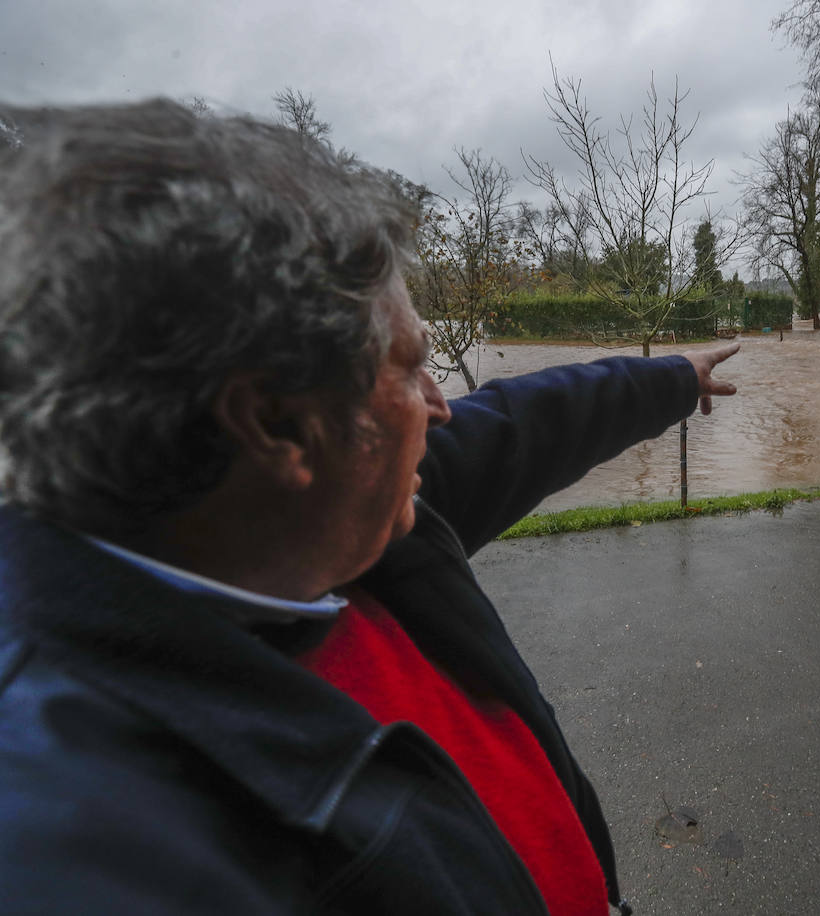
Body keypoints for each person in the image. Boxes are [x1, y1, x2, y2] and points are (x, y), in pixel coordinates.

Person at [0, 99, 739, 915]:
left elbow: (525, 423)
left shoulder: (311, 515)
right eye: (411, 365)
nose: (440, 403)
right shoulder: (89, 850)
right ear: (278, 425)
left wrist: (673, 377)